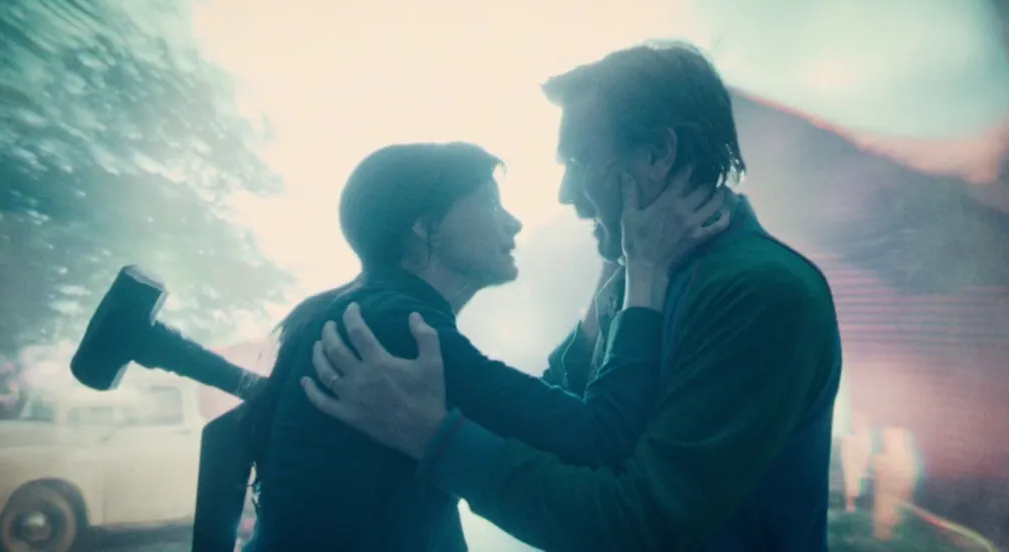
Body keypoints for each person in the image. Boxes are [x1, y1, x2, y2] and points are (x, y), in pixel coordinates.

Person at [303, 42, 843, 551]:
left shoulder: (761, 294)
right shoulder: (646, 281)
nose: (564, 194)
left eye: (578, 162)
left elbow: (639, 523)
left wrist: (430, 437)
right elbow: (559, 416)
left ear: (658, 152)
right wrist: (622, 280)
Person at [243, 141, 726, 550]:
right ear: (425, 226)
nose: (513, 223)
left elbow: (538, 416)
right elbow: (601, 438)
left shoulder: (367, 312)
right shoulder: (396, 332)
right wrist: (646, 272)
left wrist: (616, 266)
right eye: (490, 202)